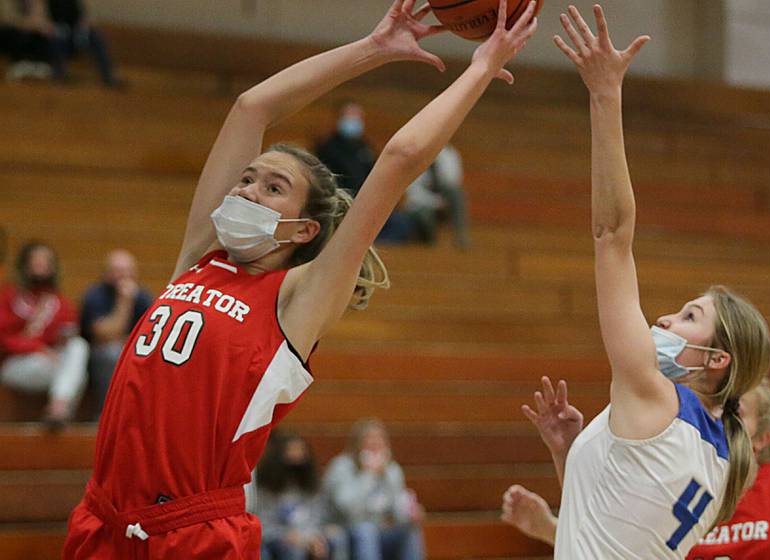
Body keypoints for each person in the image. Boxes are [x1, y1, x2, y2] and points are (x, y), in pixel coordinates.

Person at [62, 1, 538, 558]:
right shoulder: (200, 258)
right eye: (247, 178)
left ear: (304, 228)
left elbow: (399, 159)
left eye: (273, 188)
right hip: (102, 518)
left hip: (192, 532)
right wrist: (372, 49)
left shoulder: (297, 299)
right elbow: (251, 107)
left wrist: (481, 68)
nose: (247, 190)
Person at [514, 5, 770, 558]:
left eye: (689, 316)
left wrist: (605, 94)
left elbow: (612, 233)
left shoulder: (654, 395)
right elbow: (611, 527)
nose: (665, 319)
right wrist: (571, 452)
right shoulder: (724, 458)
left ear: (717, 359)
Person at [501, 379, 770, 558]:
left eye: (735, 411)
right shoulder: (674, 474)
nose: (719, 419)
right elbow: (614, 544)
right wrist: (550, 527)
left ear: (762, 438)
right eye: (714, 407)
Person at [0, 241, 89, 426]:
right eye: (36, 260)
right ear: (24, 265)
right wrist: (38, 348)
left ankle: (57, 408)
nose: (40, 265)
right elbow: (4, 339)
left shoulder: (59, 302)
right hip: (15, 364)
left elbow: (70, 329)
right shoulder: (8, 296)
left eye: (45, 261)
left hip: (49, 363)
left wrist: (62, 338)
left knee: (78, 346)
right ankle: (60, 409)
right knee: (77, 376)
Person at [322, 419, 424, 560]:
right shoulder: (341, 467)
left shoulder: (392, 470)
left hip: (381, 531)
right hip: (345, 529)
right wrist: (368, 475)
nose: (375, 444)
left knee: (410, 530)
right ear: (357, 443)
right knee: (366, 530)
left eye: (380, 439)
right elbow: (347, 510)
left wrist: (410, 515)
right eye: (369, 439)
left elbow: (397, 512)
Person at [79, 249, 152, 417]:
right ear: (106, 273)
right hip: (96, 354)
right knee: (112, 354)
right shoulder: (95, 295)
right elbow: (103, 334)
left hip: (130, 349)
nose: (124, 276)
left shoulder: (142, 296)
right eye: (118, 270)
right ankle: (108, 414)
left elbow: (150, 333)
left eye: (128, 271)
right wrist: (124, 302)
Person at [255, 432, 347, 560]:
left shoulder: (312, 483)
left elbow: (318, 516)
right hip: (278, 537)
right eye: (291, 451)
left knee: (337, 537)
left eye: (300, 450)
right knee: (294, 549)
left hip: (309, 533)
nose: (297, 456)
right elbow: (264, 523)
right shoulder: (267, 485)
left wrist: (311, 537)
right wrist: (287, 535)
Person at [403, 144, 470, 248]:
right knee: (426, 215)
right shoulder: (416, 157)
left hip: (441, 198)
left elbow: (454, 181)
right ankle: (430, 241)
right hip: (419, 206)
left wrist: (442, 201)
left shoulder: (449, 154)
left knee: (456, 193)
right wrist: (437, 203)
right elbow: (414, 194)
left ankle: (460, 235)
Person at [45, 0, 122, 87]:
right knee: (57, 39)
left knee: (96, 37)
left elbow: (83, 17)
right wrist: (54, 28)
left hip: (76, 33)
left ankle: (107, 76)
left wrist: (82, 29)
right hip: (57, 33)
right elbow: (44, 20)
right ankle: (59, 74)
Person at [315, 100, 376, 197]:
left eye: (357, 116)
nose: (354, 120)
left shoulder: (365, 146)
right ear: (339, 118)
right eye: (350, 116)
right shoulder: (327, 148)